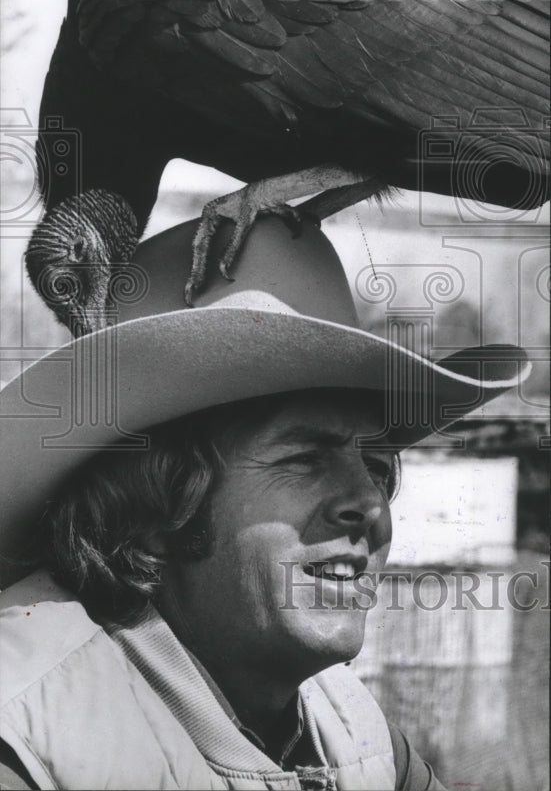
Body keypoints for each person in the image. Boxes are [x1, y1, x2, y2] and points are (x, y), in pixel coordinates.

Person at [0, 217, 530, 791]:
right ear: (156, 508)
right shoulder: (27, 740)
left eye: (376, 467)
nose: (369, 504)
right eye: (305, 458)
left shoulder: (358, 735)